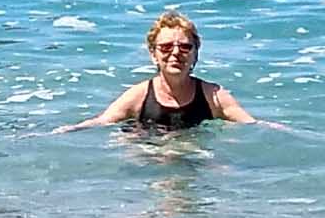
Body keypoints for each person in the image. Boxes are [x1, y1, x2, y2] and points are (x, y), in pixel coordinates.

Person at [59, 9, 283, 134]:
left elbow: (251, 124)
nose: (176, 53)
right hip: (150, 153)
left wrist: (284, 131)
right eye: (166, 47)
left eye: (185, 47)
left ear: (196, 53)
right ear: (153, 54)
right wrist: (69, 130)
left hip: (192, 154)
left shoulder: (213, 96)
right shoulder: (139, 95)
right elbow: (103, 121)